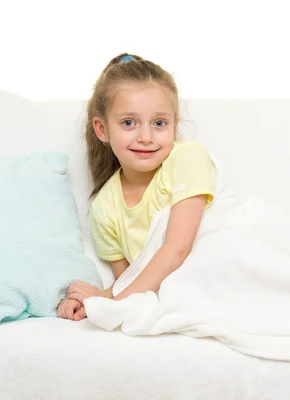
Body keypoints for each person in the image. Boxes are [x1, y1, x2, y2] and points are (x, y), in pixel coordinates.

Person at [57, 53, 217, 321]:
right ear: (102, 129)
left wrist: (111, 305)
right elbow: (134, 283)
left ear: (175, 126)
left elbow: (178, 249)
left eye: (159, 123)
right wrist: (95, 299)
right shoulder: (104, 208)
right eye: (129, 123)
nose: (145, 137)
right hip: (178, 291)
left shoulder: (187, 158)